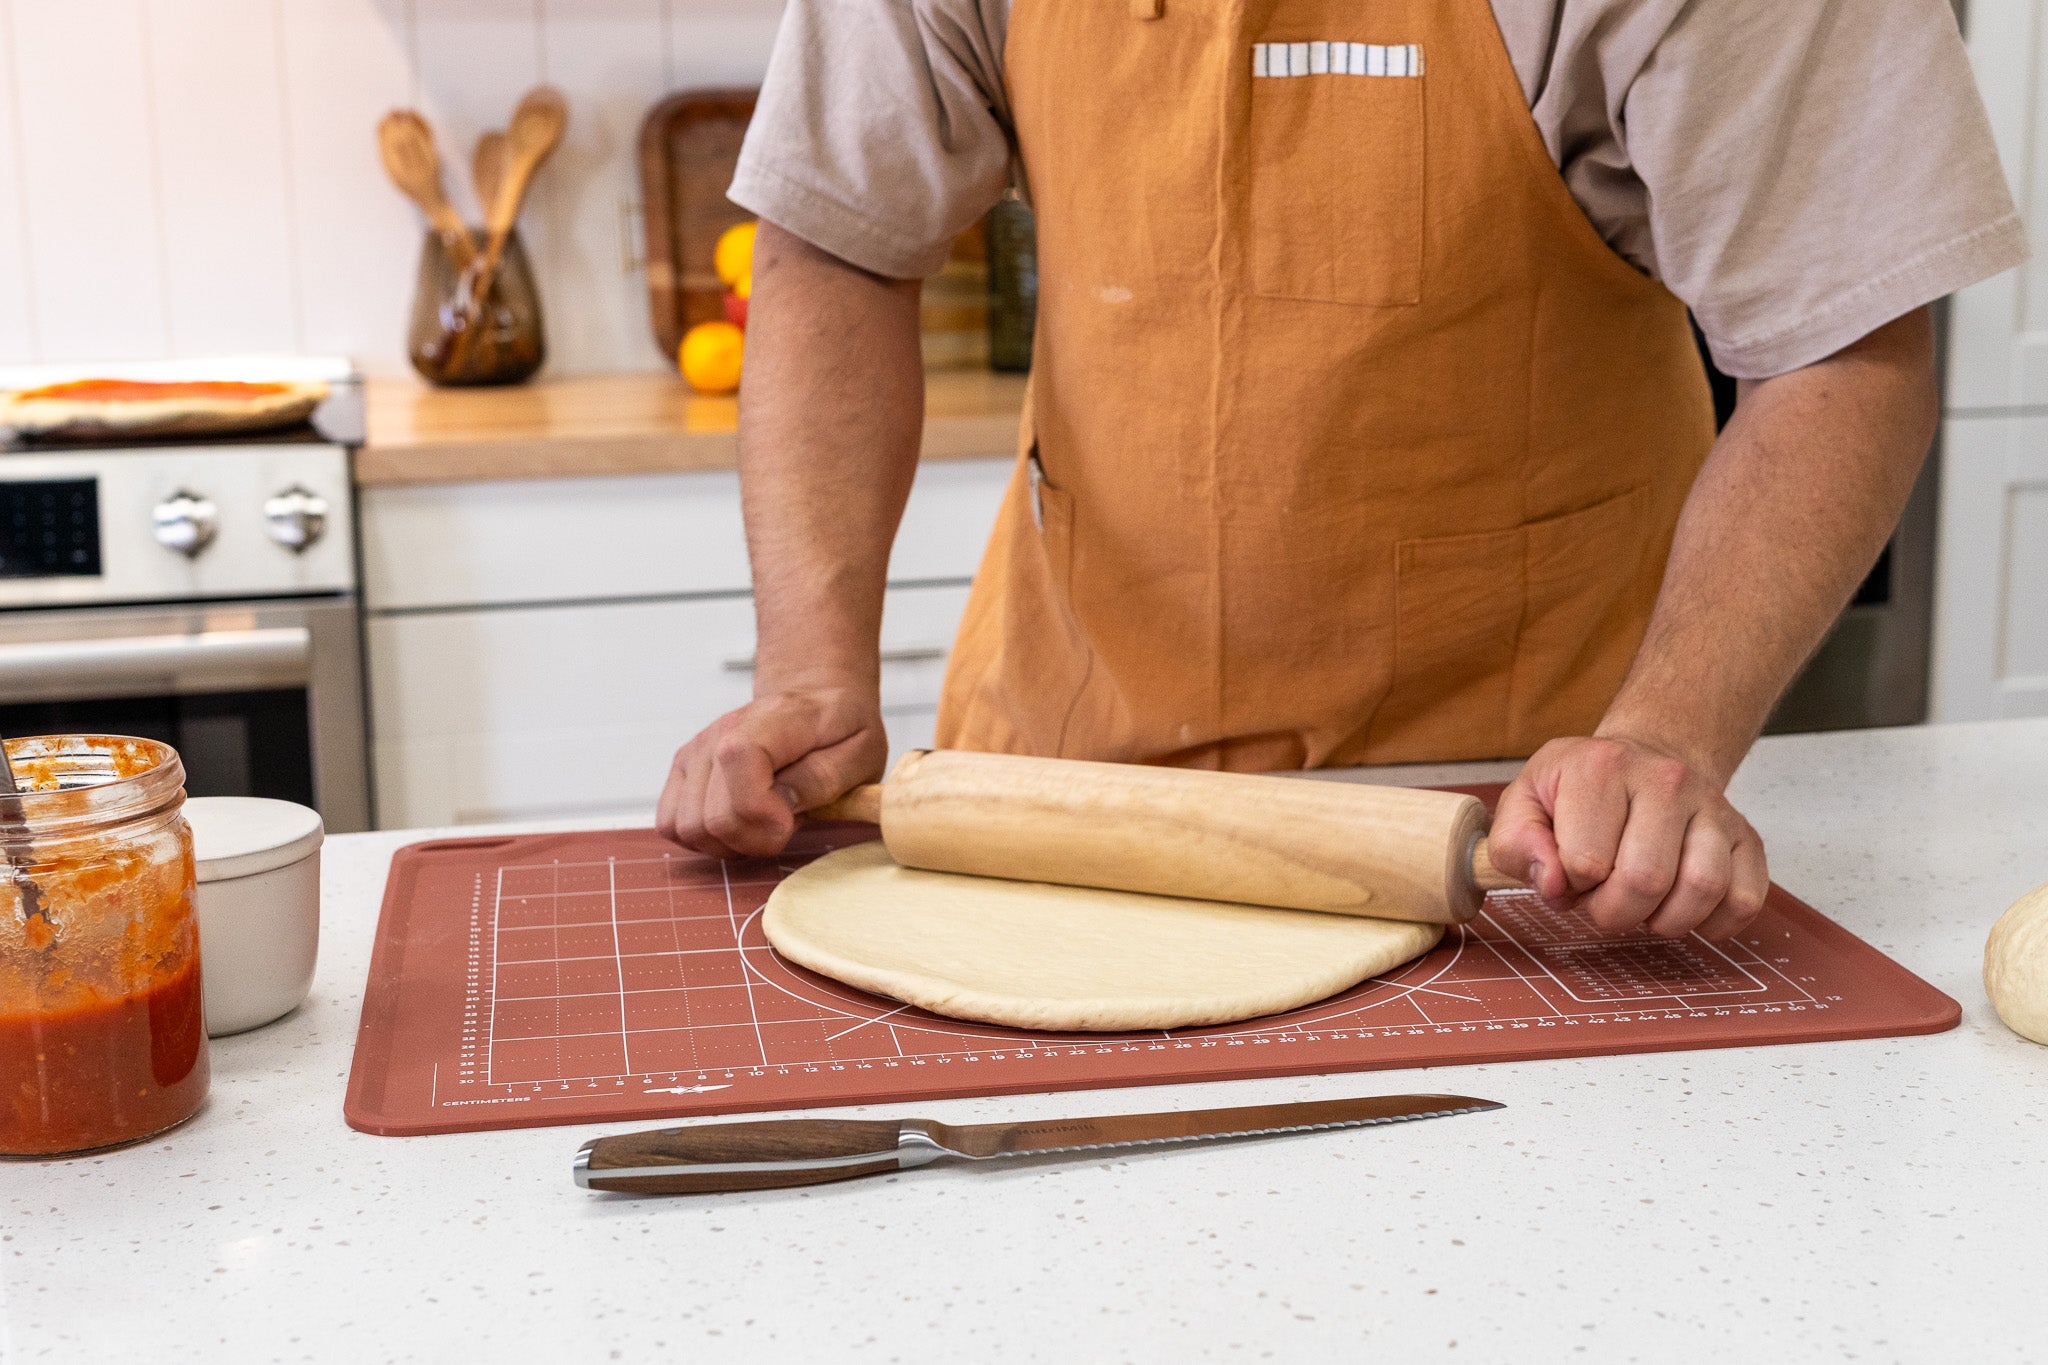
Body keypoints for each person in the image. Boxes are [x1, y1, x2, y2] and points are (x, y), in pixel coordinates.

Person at [658, 0, 2024, 941]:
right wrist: (812, 671)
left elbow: (1842, 341)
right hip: (1063, 794)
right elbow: (838, 241)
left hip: (1527, 826)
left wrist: (1662, 736)